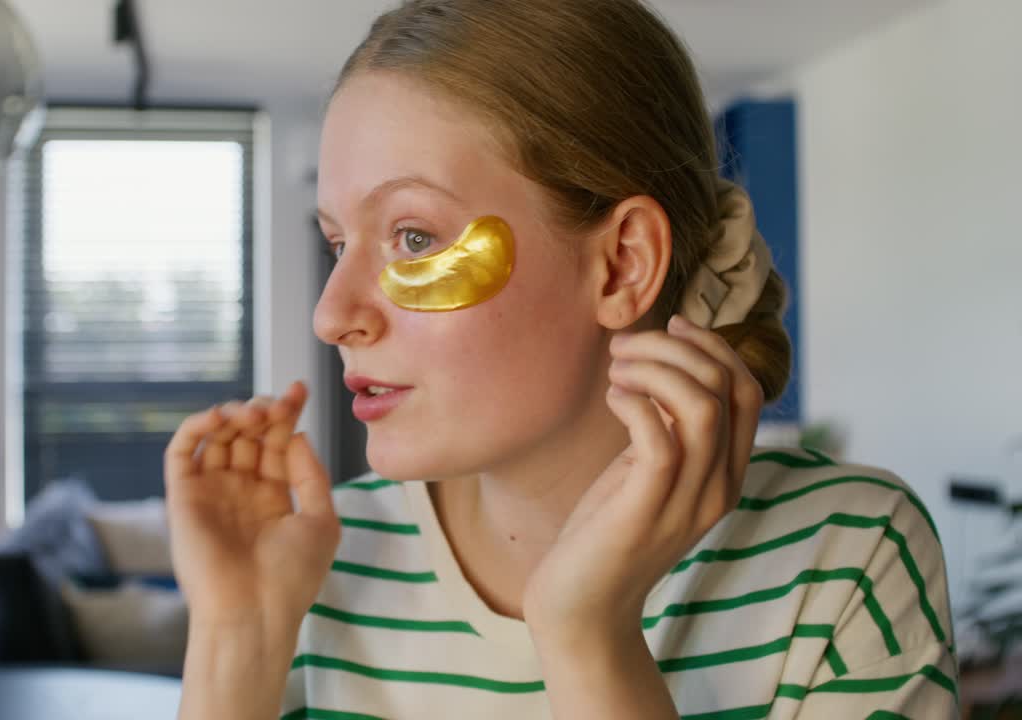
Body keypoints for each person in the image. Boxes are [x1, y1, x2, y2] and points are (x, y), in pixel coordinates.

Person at [164, 0, 958, 717]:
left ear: (621, 265)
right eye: (338, 243)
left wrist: (588, 636)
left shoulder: (845, 555)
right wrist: (239, 639)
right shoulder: (313, 561)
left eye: (413, 237)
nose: (332, 315)